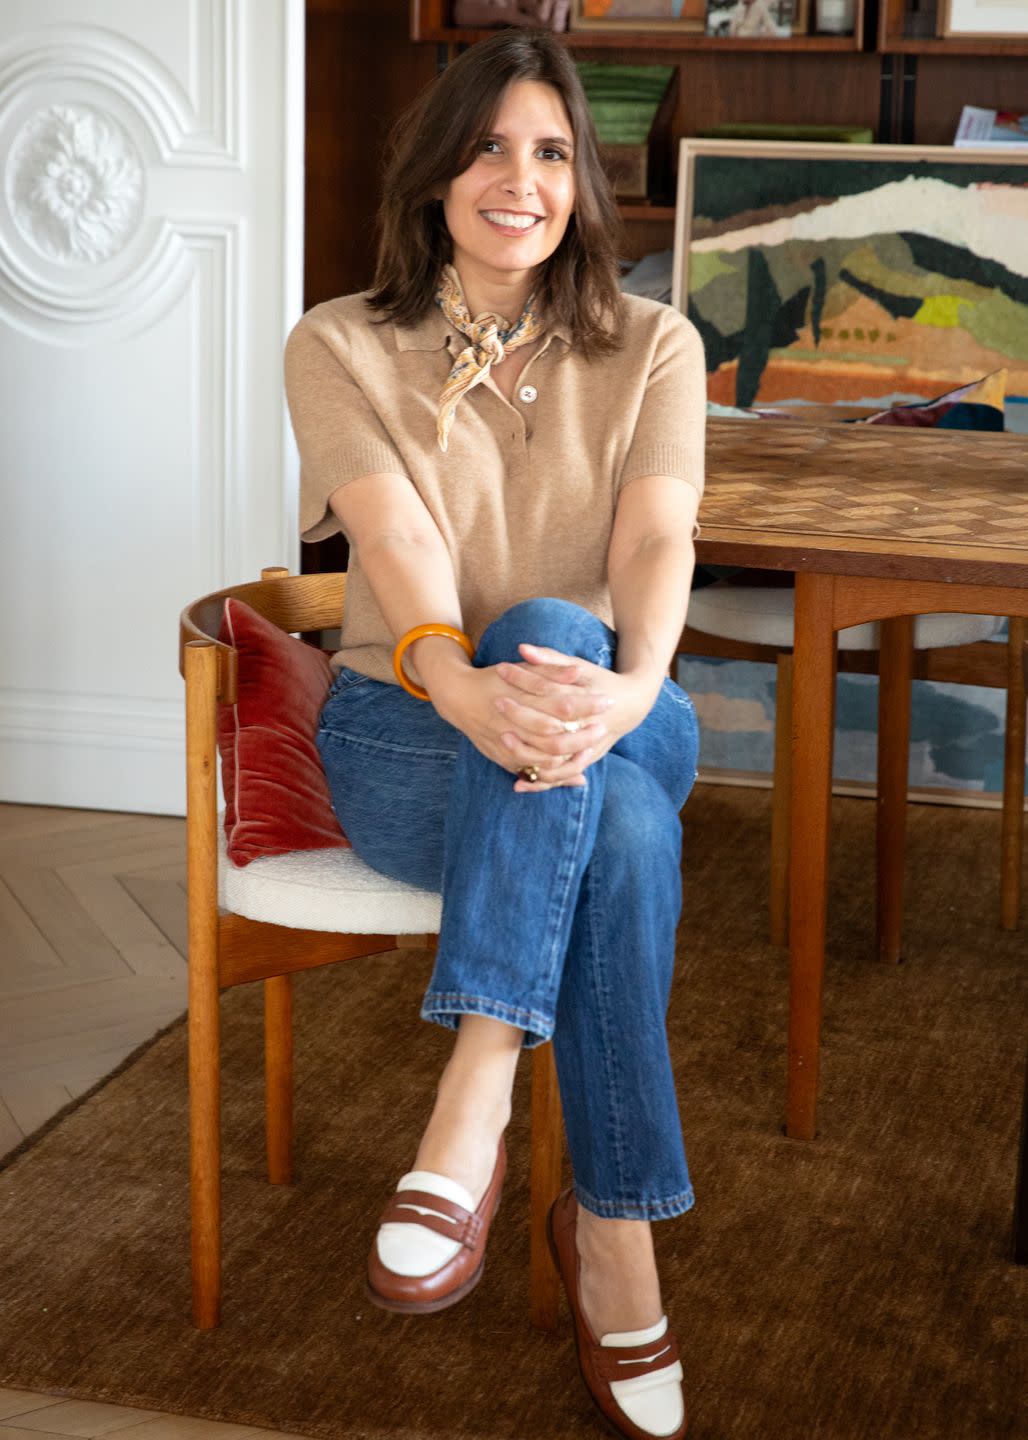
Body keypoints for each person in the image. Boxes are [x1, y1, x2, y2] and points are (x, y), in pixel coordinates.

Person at [284, 28, 705, 1440]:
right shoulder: (340, 340)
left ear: (583, 178)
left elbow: (654, 534)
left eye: (547, 151)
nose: (516, 180)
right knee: (625, 817)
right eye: (485, 147)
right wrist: (463, 688)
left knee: (574, 640)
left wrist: (639, 689)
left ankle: (476, 1088)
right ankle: (616, 1243)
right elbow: (393, 539)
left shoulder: (655, 343)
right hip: (410, 739)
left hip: (613, 717)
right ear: (433, 172)